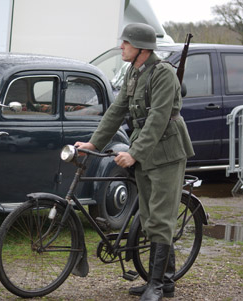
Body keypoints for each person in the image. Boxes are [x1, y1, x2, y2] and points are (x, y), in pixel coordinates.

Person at [75, 23, 194, 301]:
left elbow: (159, 117)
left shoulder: (163, 74)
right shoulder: (133, 72)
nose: (121, 47)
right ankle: (165, 282)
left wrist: (134, 152)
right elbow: (117, 110)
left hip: (166, 152)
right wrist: (94, 143)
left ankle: (155, 285)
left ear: (142, 48)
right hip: (146, 149)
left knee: (161, 218)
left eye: (126, 43)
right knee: (151, 218)